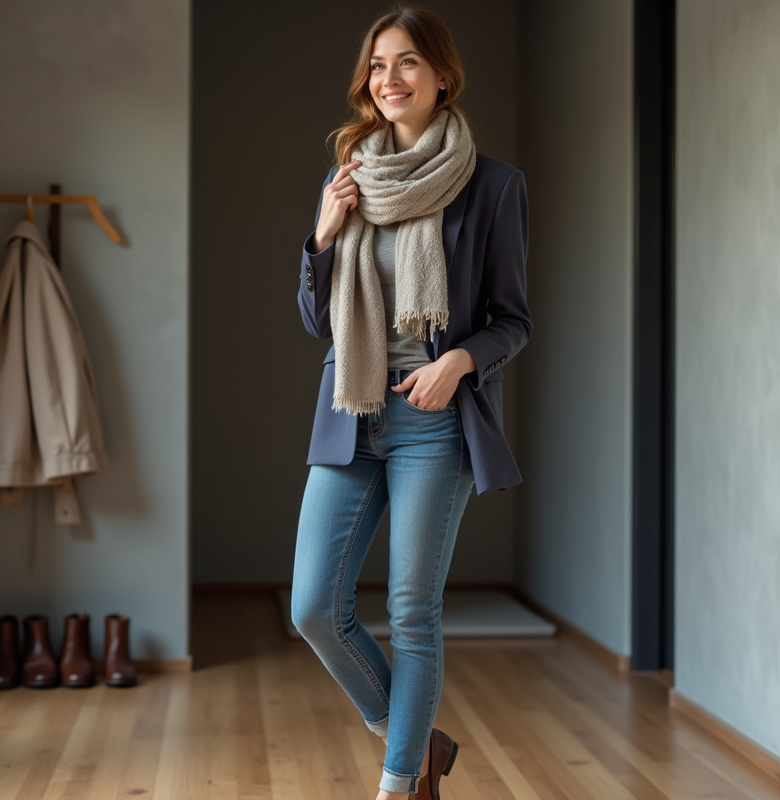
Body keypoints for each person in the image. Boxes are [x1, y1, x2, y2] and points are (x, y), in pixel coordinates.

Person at [290, 5, 530, 799]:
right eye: (378, 66)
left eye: (407, 64)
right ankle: (419, 746)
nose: (388, 79)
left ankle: (400, 786)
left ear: (442, 76)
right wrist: (322, 239)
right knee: (314, 611)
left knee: (412, 612)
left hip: (435, 425)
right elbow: (317, 322)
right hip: (350, 414)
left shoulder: (493, 186)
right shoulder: (348, 179)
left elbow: (513, 322)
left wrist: (459, 360)